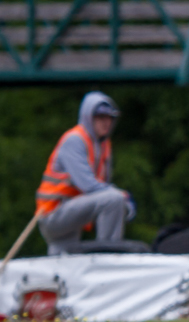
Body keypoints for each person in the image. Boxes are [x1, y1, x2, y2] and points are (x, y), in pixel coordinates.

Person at [35, 92, 135, 255]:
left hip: (72, 215)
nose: (106, 122)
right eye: (100, 117)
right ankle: (108, 256)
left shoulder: (103, 145)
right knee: (113, 199)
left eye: (110, 117)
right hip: (54, 213)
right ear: (89, 116)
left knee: (63, 262)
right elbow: (88, 185)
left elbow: (103, 185)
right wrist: (122, 196)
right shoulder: (74, 140)